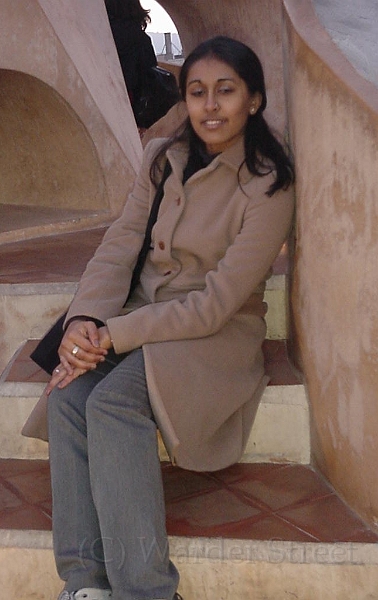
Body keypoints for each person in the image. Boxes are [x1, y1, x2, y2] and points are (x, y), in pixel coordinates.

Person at [47, 35, 295, 600]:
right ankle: (85, 584)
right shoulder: (163, 159)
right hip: (137, 316)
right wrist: (82, 323)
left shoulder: (268, 182)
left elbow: (216, 302)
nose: (210, 106)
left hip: (213, 333)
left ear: (253, 100)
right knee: (66, 396)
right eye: (197, 92)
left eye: (225, 91)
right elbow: (119, 245)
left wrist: (115, 335)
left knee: (111, 404)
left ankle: (146, 591)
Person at [105, 0, 157, 127]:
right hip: (130, 105)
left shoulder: (99, 35)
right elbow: (150, 78)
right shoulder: (141, 39)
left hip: (101, 100)